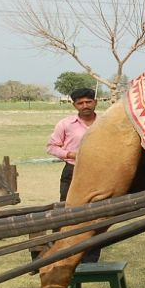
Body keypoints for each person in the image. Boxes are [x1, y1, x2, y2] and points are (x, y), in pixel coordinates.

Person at [46, 87, 101, 263]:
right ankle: (60, 254)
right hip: (73, 171)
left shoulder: (106, 122)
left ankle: (91, 259)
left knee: (97, 214)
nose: (85, 106)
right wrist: (70, 154)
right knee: (67, 212)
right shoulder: (65, 124)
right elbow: (52, 146)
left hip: (100, 173)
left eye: (88, 102)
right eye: (80, 103)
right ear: (74, 105)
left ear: (95, 102)